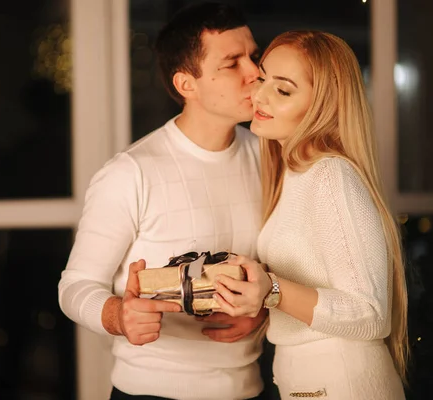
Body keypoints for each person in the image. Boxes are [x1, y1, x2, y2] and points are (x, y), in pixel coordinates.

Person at [58, 3, 268, 399]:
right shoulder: (130, 172)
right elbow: (75, 286)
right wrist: (118, 316)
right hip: (149, 391)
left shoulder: (272, 158)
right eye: (232, 63)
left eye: (253, 56)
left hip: (251, 389)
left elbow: (287, 272)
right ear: (187, 84)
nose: (255, 72)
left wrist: (266, 313)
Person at [212, 30, 409, 399]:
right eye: (263, 78)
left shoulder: (330, 175)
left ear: (323, 106)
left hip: (343, 381)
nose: (259, 95)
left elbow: (370, 313)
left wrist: (270, 290)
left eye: (283, 90)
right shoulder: (293, 173)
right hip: (306, 380)